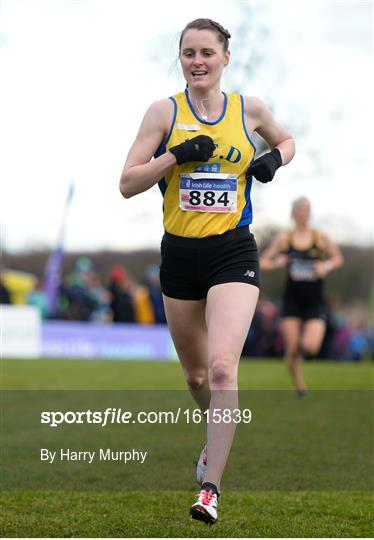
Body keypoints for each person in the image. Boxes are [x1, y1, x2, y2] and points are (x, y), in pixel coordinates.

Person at [119, 18, 295, 525]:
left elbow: (287, 141)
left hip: (232, 252)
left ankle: (210, 489)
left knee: (222, 368)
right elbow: (127, 182)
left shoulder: (249, 109)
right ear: (181, 59)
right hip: (180, 255)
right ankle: (212, 431)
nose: (198, 61)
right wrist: (175, 155)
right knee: (197, 375)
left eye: (207, 53)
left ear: (225, 58)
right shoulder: (163, 112)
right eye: (188, 53)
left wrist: (272, 162)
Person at [260, 197, 343, 395]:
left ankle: (299, 362)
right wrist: (276, 263)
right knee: (294, 348)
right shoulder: (285, 238)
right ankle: (299, 386)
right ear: (294, 213)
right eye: (302, 209)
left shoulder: (320, 237)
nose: (306, 213)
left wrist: (326, 265)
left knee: (310, 347)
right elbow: (262, 261)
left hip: (315, 299)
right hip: (292, 299)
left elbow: (338, 258)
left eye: (308, 209)